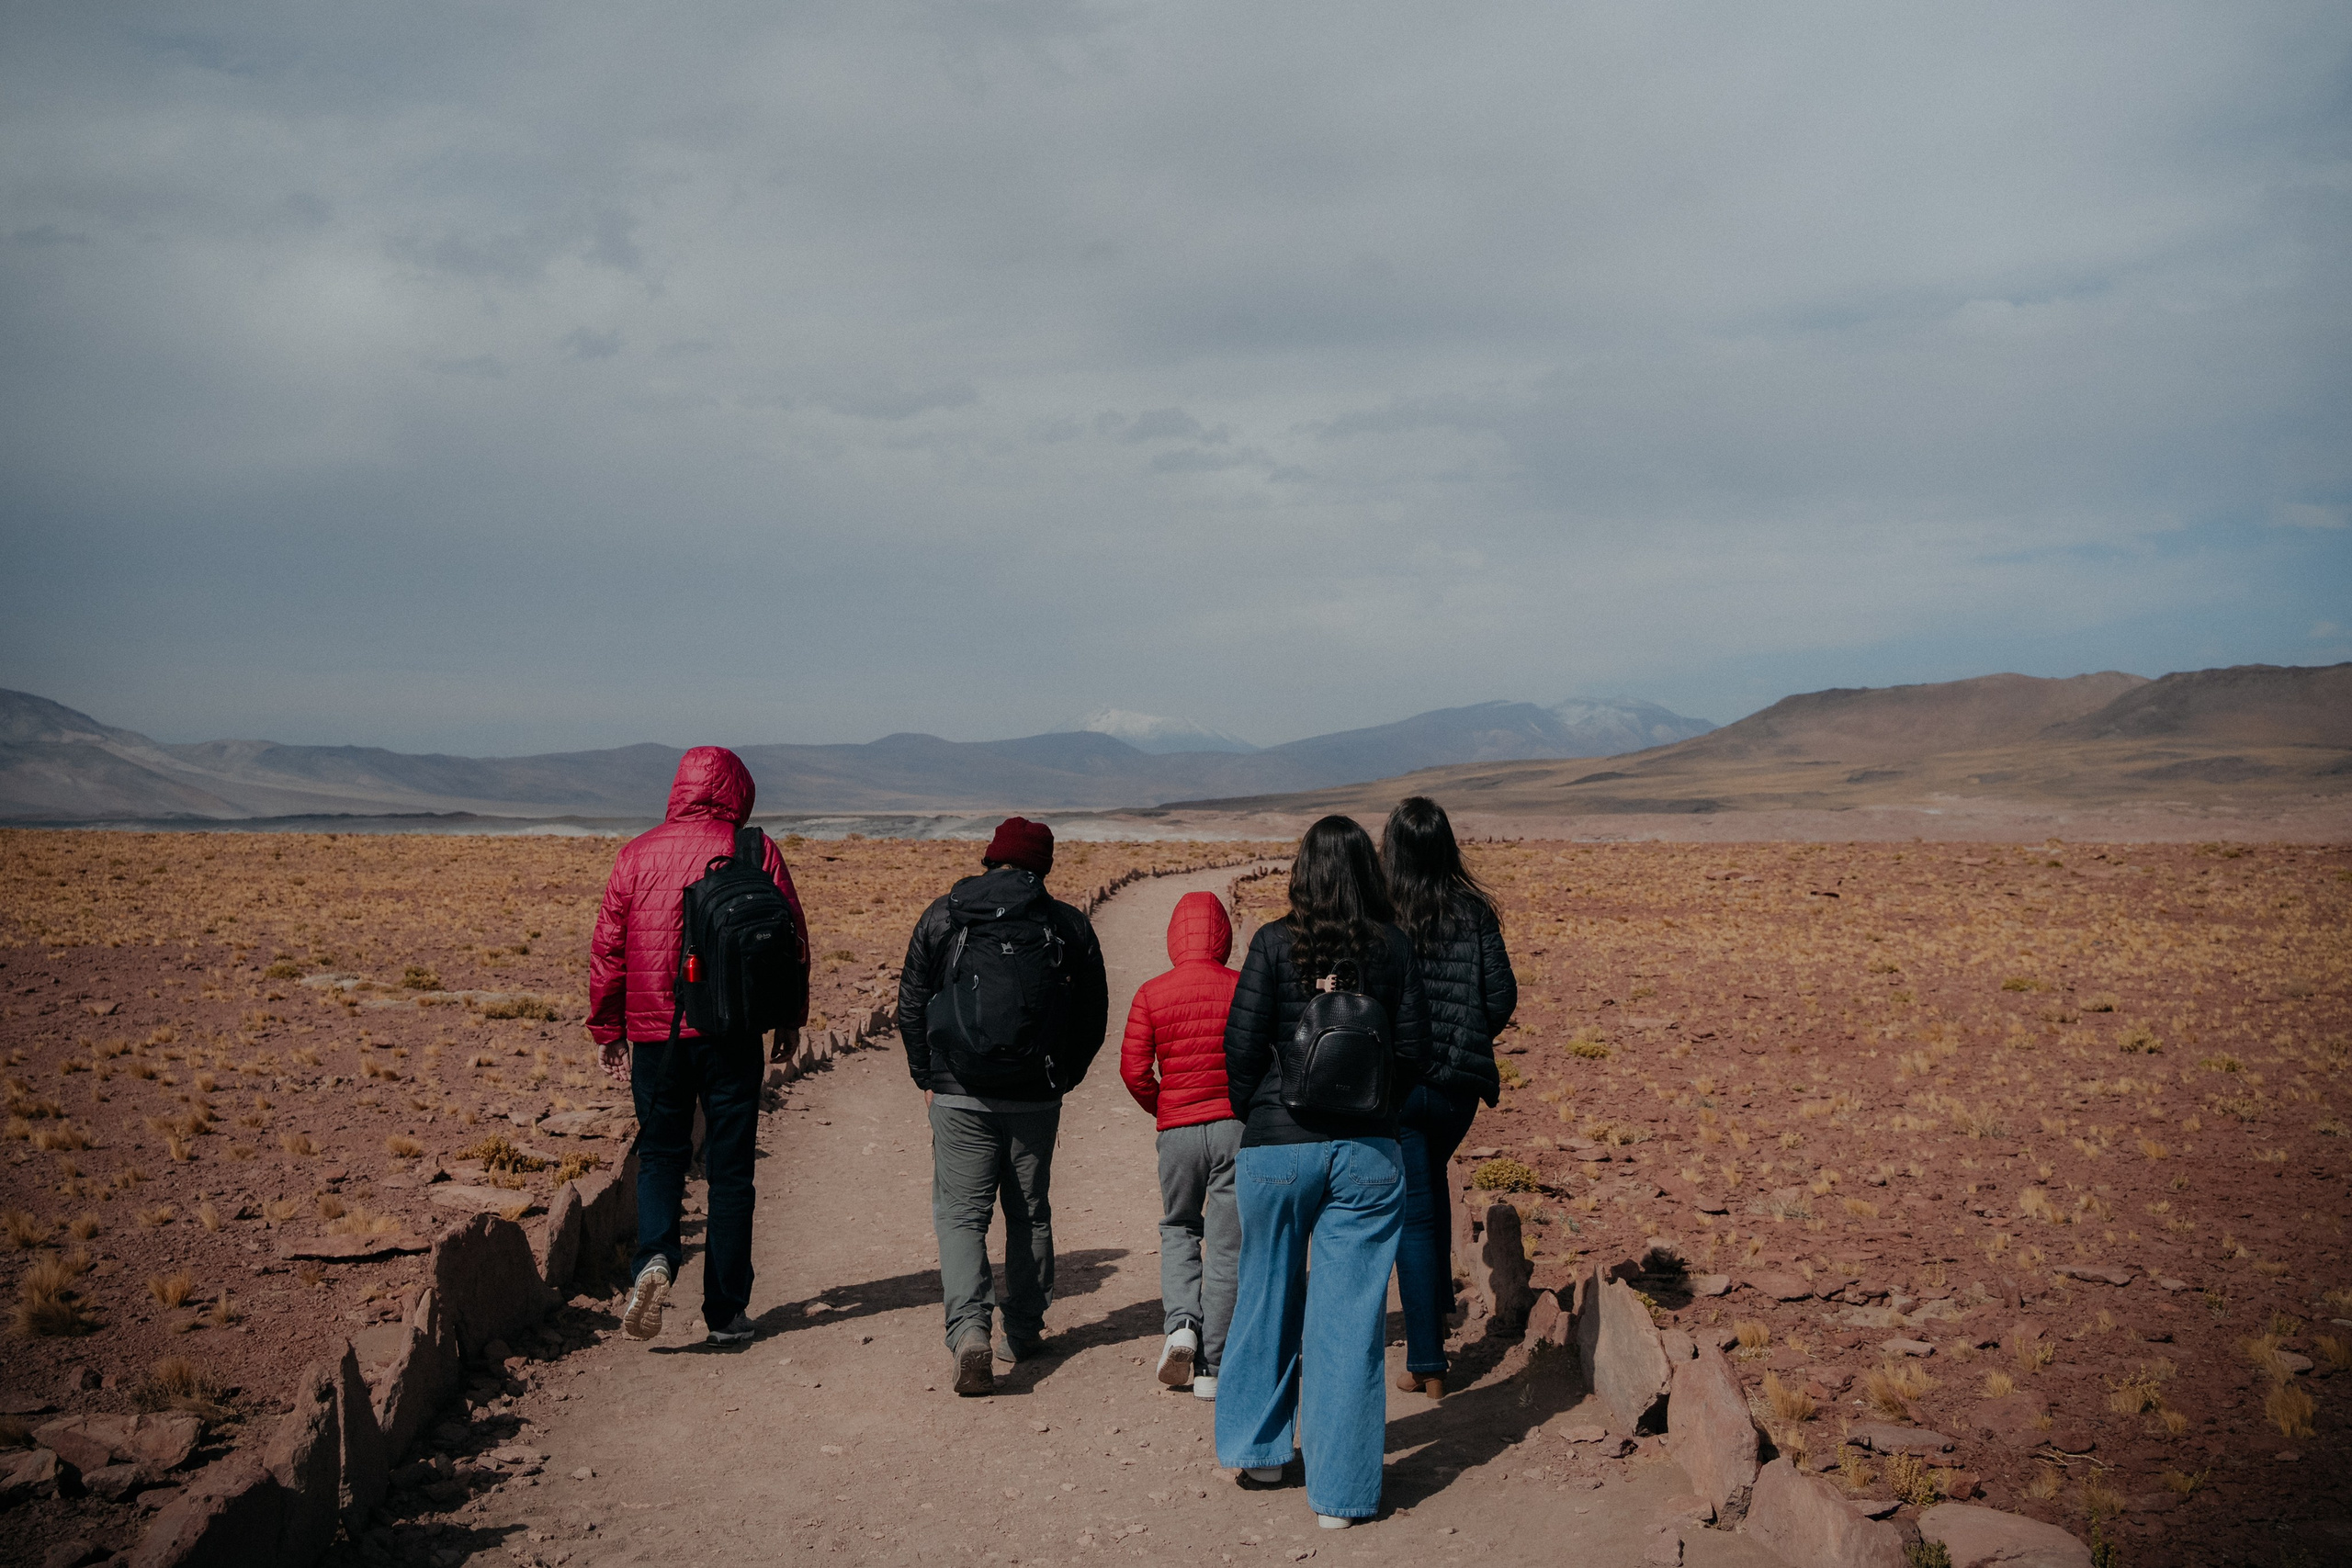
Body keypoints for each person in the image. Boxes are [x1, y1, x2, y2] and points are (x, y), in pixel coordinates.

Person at [1217, 816, 1428, 1529]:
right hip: (1367, 1154)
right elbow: (1416, 1051)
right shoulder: (1393, 947)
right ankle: (1340, 1495)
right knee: (1349, 1321)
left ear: (1302, 871)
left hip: (1278, 1150)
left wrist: (1263, 1113)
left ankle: (1261, 1451)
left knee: (1266, 1292)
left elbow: (1241, 1049)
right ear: (1369, 870)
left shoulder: (1274, 942)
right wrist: (1377, 1106)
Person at [588, 746, 809, 1346]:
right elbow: (790, 936)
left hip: (655, 1034)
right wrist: (790, 1018)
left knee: (661, 1154)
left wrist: (608, 1029)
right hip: (732, 1032)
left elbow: (608, 949)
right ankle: (726, 1313)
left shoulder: (636, 854)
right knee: (730, 1170)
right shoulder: (754, 849)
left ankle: (655, 1260)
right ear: (739, 789)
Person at [898, 817, 1109, 1396]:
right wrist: (1064, 1076)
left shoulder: (944, 915)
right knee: (1029, 1211)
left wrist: (926, 1075)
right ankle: (1024, 1328)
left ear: (991, 858)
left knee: (962, 1216)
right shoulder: (1066, 924)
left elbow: (911, 1001)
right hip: (1036, 1093)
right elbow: (1093, 1012)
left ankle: (970, 1333)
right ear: (1043, 866)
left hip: (958, 1090)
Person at [1380, 796, 1516, 1400]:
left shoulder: (1382, 913)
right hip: (1458, 1089)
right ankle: (1435, 1313)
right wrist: (1467, 1038)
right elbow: (1501, 995)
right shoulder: (1474, 911)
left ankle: (1428, 1361)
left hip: (1400, 1087)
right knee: (1432, 1186)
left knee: (1414, 1215)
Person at [1118, 890, 1243, 1401]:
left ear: (1173, 936)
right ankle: (1213, 1367)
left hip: (1178, 1132)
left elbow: (1133, 1070)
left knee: (1179, 1227)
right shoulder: (1242, 986)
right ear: (1224, 936)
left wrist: (1164, 1108)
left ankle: (1182, 1326)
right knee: (1228, 1244)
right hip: (1235, 1128)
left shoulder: (1152, 993)